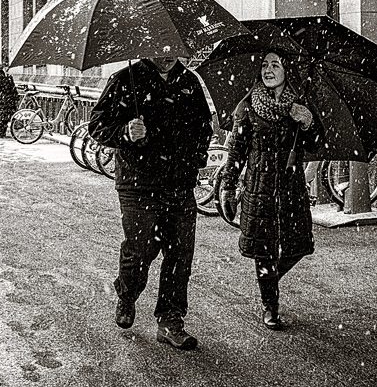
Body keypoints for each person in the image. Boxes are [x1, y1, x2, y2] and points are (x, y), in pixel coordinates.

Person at [87, 55, 212, 350]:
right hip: (138, 183)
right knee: (140, 250)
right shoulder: (124, 79)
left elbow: (204, 128)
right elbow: (97, 126)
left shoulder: (189, 82)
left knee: (180, 254)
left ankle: (170, 320)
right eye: (160, 48)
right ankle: (127, 294)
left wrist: (195, 159)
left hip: (179, 184)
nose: (167, 56)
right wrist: (125, 133)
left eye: (173, 49)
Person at [218, 50, 315, 330]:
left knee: (297, 245)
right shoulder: (247, 106)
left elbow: (314, 144)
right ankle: (269, 305)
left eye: (275, 64)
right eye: (264, 65)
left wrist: (307, 122)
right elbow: (235, 151)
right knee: (263, 250)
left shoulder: (298, 104)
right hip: (258, 187)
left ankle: (269, 279)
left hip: (290, 188)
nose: (268, 70)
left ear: (287, 71)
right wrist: (228, 188)